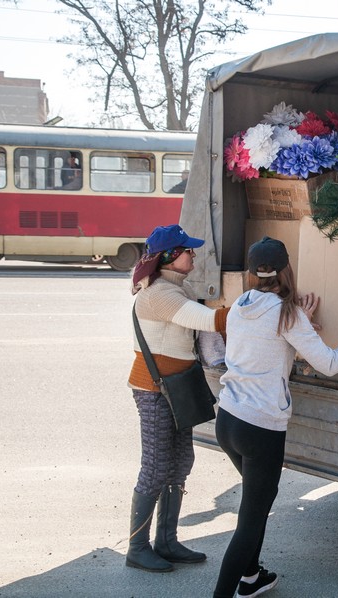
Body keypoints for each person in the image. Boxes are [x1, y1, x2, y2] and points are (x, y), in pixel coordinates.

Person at [212, 236, 338, 598]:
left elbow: (263, 348)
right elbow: (327, 363)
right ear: (285, 271)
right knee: (250, 519)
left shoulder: (239, 306)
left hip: (228, 419)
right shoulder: (287, 314)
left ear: (252, 273)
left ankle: (250, 578)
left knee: (260, 498)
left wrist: (302, 324)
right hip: (260, 427)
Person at [126, 224, 229, 573]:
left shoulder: (174, 288)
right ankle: (137, 548)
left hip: (177, 388)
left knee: (180, 461)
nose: (194, 255)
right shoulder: (159, 294)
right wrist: (256, 305)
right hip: (155, 390)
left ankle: (167, 541)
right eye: (188, 250)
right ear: (170, 257)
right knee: (155, 467)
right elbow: (208, 321)